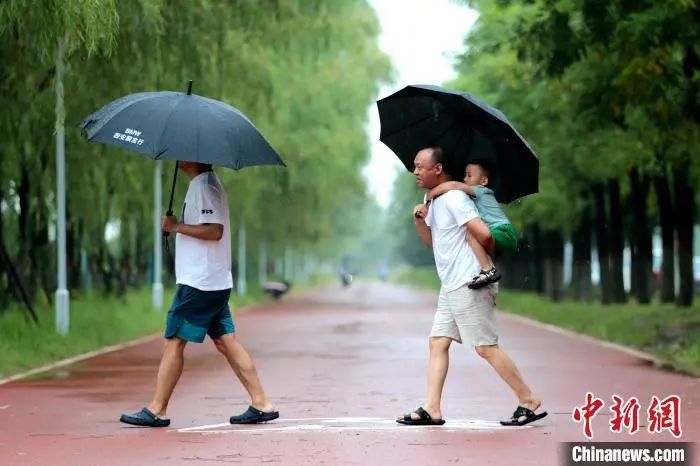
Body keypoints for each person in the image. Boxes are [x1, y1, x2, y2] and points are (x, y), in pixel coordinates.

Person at [120, 161, 278, 427]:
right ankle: (261, 402)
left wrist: (176, 227)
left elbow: (215, 230)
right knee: (226, 341)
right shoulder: (203, 184)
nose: (177, 157)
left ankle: (157, 409)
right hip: (212, 281)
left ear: (194, 157)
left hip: (200, 284)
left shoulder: (205, 186)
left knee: (174, 340)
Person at [396, 147, 546, 427]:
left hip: (470, 282)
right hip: (451, 284)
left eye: (419, 166)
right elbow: (433, 244)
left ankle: (528, 400)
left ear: (438, 169)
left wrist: (487, 262)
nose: (415, 172)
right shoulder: (435, 201)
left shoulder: (454, 198)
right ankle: (432, 408)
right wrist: (419, 220)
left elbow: (485, 234)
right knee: (438, 342)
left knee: (485, 347)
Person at [426, 160, 517, 289]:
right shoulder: (475, 197)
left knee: (471, 234)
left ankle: (488, 270)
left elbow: (454, 185)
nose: (464, 179)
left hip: (503, 231)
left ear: (483, 181)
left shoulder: (480, 190)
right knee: (476, 233)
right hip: (502, 234)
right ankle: (488, 269)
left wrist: (432, 193)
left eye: (469, 175)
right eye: (464, 175)